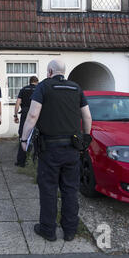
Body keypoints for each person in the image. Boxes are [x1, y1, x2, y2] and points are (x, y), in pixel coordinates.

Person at [20, 59, 92, 242]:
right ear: (63, 72)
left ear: (50, 71)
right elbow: (87, 116)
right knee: (70, 189)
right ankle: (69, 230)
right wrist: (85, 138)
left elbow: (33, 114)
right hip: (72, 149)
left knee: (49, 189)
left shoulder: (44, 87)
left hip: (50, 148)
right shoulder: (76, 88)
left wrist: (23, 138)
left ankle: (48, 230)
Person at [14, 76, 39, 167]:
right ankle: (36, 161)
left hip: (25, 114)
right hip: (36, 114)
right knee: (37, 137)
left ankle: (21, 161)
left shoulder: (23, 89)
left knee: (23, 136)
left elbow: (17, 103)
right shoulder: (39, 89)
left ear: (30, 82)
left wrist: (15, 115)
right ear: (37, 82)